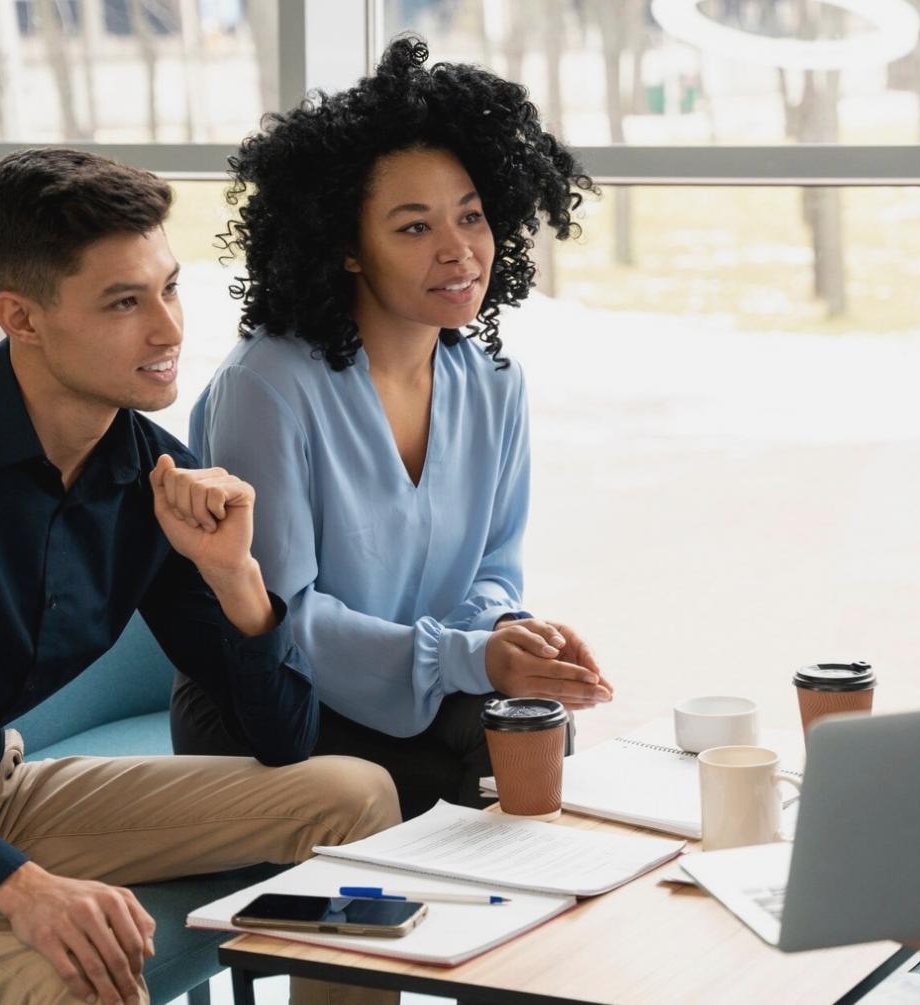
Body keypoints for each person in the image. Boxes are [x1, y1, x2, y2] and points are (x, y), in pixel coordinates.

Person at [0, 147, 400, 1005]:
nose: (167, 330)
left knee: (355, 794)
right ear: (19, 315)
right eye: (125, 302)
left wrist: (235, 576)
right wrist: (20, 885)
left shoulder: (152, 475)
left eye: (169, 288)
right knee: (70, 972)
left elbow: (282, 742)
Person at [171, 36, 613, 818]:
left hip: (414, 681)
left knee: (531, 731)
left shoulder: (494, 387)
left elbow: (493, 571)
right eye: (414, 228)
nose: (458, 250)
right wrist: (466, 658)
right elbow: (283, 617)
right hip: (269, 701)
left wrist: (513, 643)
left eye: (471, 217)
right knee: (464, 777)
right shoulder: (266, 386)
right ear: (346, 246)